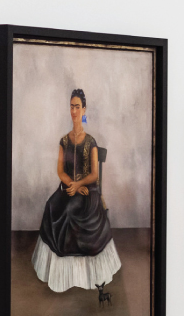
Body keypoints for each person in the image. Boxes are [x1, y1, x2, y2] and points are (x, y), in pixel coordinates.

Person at [32, 88, 122, 293]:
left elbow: (94, 175)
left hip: (87, 191)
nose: (74, 110)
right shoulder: (64, 140)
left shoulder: (91, 141)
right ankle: (58, 271)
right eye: (71, 106)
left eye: (77, 107)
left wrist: (79, 185)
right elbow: (60, 170)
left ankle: (80, 273)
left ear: (84, 110)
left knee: (71, 212)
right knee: (51, 205)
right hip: (68, 188)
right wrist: (69, 184)